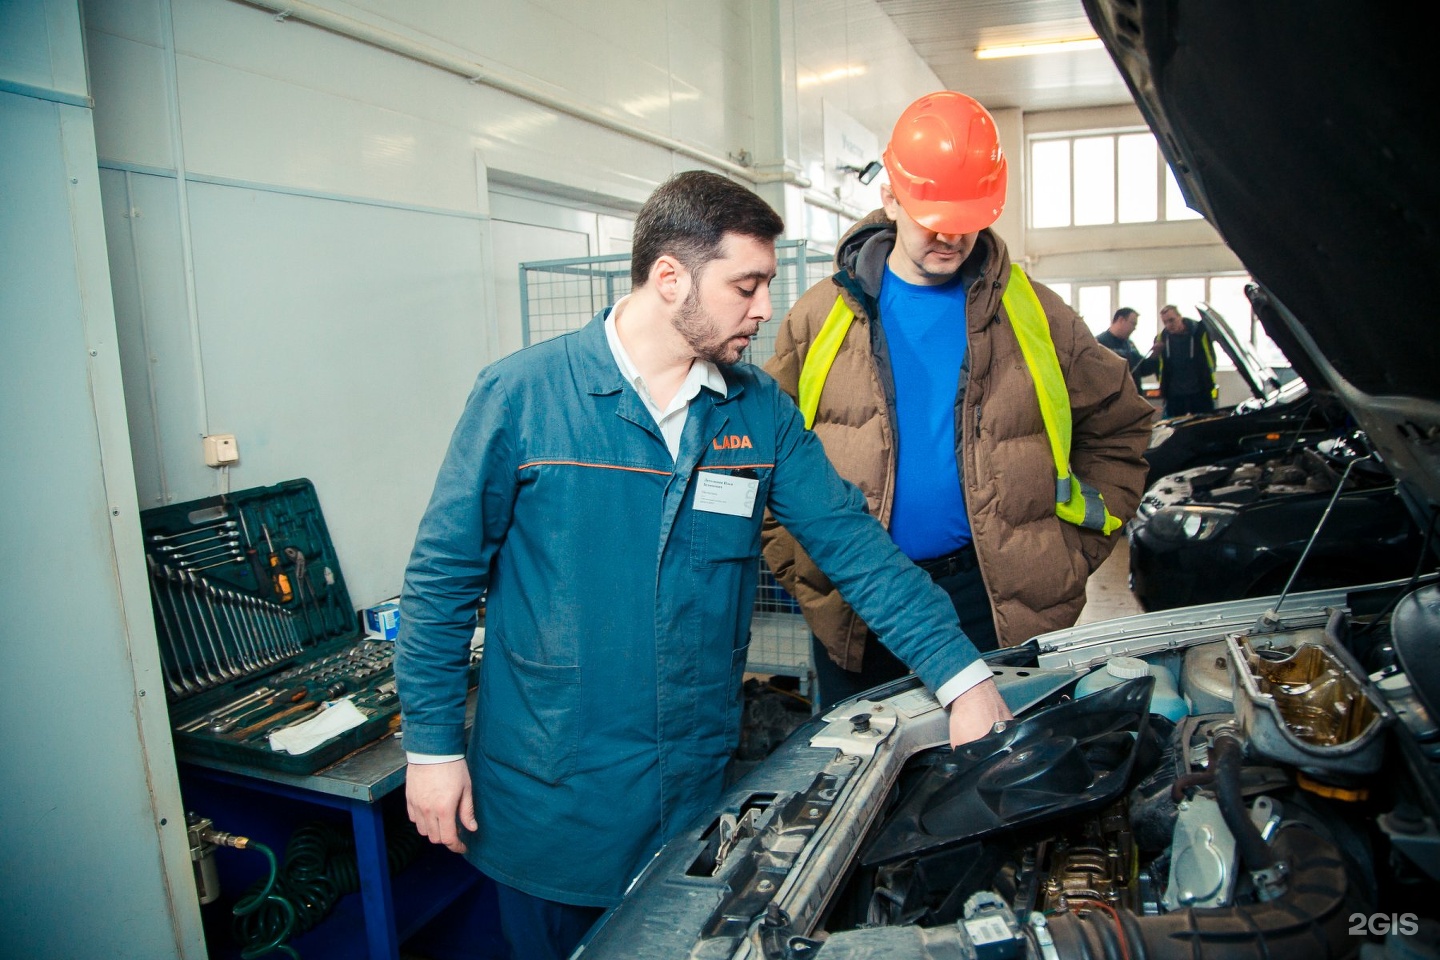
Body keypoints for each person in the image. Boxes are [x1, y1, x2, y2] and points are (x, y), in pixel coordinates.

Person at [394, 170, 1012, 960]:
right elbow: (440, 583)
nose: (764, 308)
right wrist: (434, 749)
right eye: (746, 285)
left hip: (692, 802)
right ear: (669, 277)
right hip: (550, 801)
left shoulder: (756, 412)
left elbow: (856, 550)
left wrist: (964, 677)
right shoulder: (522, 398)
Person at [761, 91, 1154, 710]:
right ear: (890, 197)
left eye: (966, 217)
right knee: (866, 786)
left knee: (990, 788)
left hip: (990, 601)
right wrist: (800, 566)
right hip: (855, 604)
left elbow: (1121, 427)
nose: (951, 236)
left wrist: (1073, 546)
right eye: (932, 216)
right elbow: (766, 451)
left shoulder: (1036, 314)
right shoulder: (820, 317)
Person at [1151, 303, 1217, 417]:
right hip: (1174, 395)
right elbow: (1155, 364)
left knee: (1205, 426)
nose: (1169, 325)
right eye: (1165, 322)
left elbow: (1211, 357)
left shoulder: (1199, 332)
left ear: (1180, 317)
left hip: (1200, 391)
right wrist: (1156, 352)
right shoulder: (1162, 339)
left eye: (1171, 320)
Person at [1097, 307, 1148, 391]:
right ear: (1121, 320)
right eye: (1133, 324)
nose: (1134, 328)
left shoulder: (1130, 345)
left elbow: (1142, 368)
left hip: (1133, 396)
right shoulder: (1100, 343)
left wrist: (1155, 354)